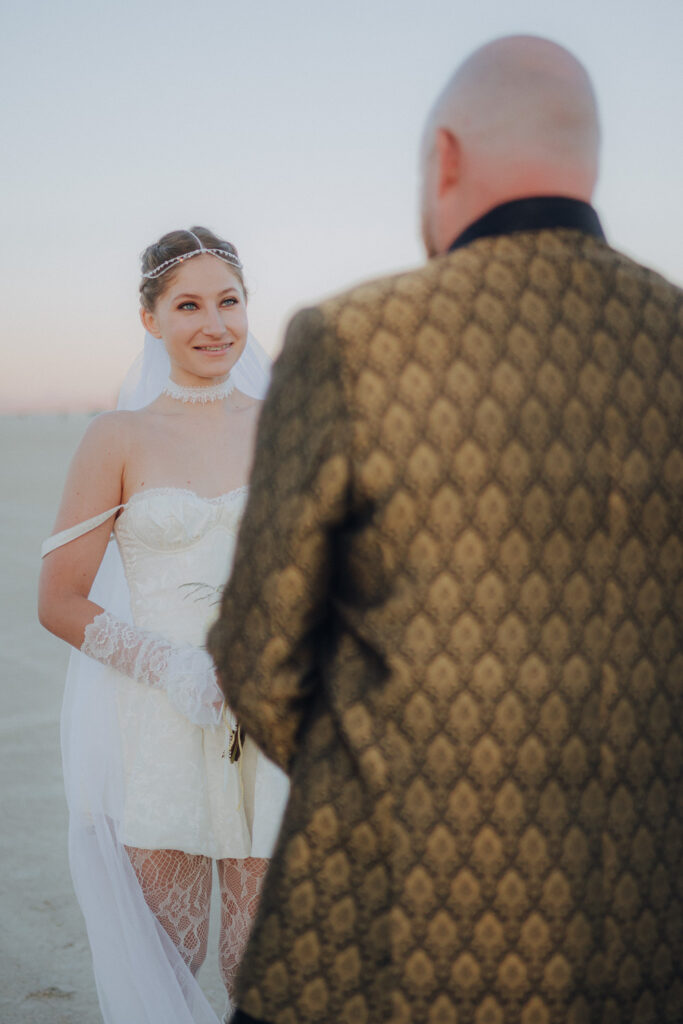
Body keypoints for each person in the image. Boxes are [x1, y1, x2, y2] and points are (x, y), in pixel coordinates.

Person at [208, 36, 683, 1024]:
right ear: (585, 163)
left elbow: (256, 649)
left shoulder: (353, 336)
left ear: (445, 158)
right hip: (639, 939)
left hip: (375, 947)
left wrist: (401, 771)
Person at [38, 227, 289, 1024]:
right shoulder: (118, 437)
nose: (214, 324)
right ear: (150, 320)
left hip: (275, 723)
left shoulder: (291, 421)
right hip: (157, 724)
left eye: (229, 301)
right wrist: (173, 667)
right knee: (163, 976)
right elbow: (60, 598)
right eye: (188, 305)